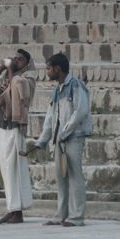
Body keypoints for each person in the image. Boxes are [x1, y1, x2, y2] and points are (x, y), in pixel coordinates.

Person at [35, 53, 92, 227]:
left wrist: (65, 132)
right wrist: (42, 140)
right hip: (59, 140)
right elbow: (50, 117)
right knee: (61, 177)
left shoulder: (76, 85)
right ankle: (62, 214)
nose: (47, 72)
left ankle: (77, 217)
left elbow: (81, 111)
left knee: (75, 176)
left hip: (74, 137)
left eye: (48, 68)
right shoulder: (56, 90)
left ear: (58, 69)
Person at [0, 49, 37, 224]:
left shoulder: (26, 79)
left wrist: (10, 70)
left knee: (15, 169)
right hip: (1, 125)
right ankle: (12, 208)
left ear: (27, 64)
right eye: (15, 58)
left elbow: (17, 91)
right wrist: (0, 68)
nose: (16, 61)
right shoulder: (5, 77)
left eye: (20, 60)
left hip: (16, 127)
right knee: (6, 170)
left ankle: (17, 211)